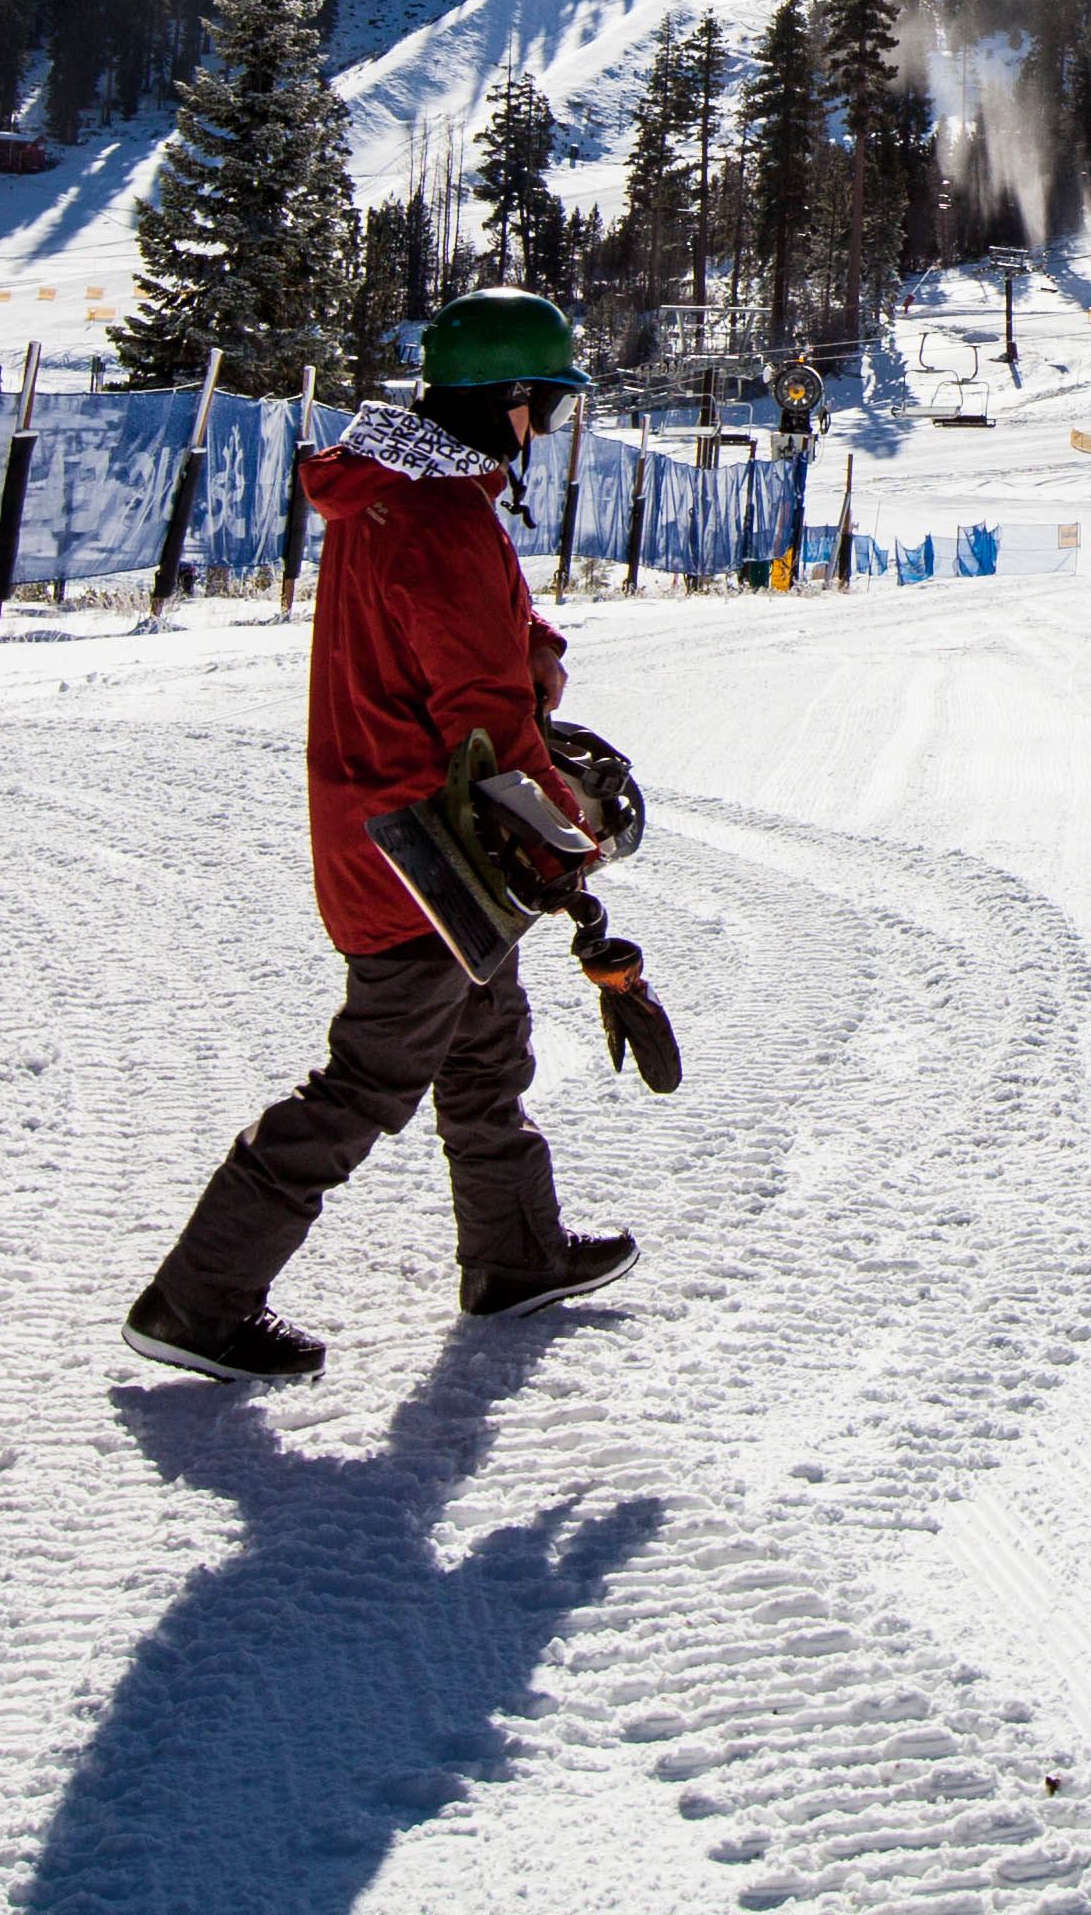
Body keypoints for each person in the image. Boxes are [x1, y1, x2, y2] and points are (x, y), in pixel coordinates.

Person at [126, 288, 668, 1384]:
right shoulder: (439, 516)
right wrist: (567, 838)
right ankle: (196, 1303)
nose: (547, 429)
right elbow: (484, 714)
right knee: (368, 1085)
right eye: (544, 408)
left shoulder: (398, 496)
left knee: (483, 1053)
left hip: (406, 838)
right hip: (429, 855)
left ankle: (515, 1256)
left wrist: (531, 653)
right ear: (508, 402)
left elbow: (471, 646)